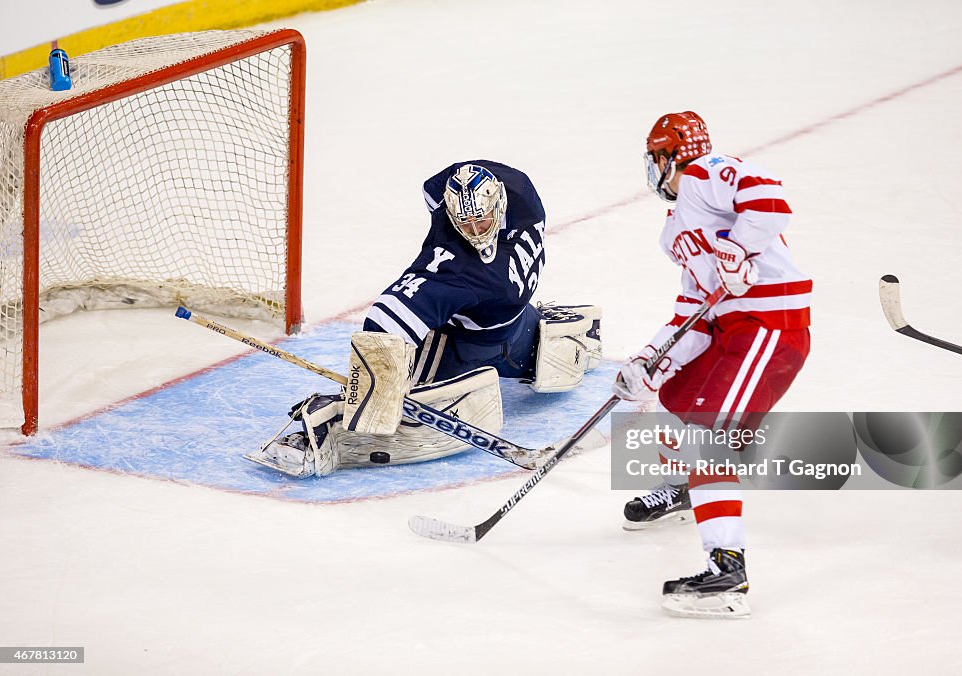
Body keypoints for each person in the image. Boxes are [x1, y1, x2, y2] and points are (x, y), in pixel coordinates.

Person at [247, 160, 601, 477]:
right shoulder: (521, 192)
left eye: (482, 219)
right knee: (506, 343)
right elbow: (441, 186)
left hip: (471, 348)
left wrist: (379, 387)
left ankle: (326, 429)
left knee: (402, 416)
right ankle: (567, 334)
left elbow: (385, 321)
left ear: (498, 203)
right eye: (465, 221)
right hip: (514, 327)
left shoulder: (458, 270)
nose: (475, 232)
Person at [613, 112, 811, 619]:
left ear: (669, 157)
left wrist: (739, 248)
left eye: (656, 159)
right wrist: (650, 360)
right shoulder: (674, 231)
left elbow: (771, 198)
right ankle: (683, 489)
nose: (653, 169)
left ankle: (727, 571)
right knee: (676, 398)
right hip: (728, 332)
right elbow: (692, 316)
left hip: (768, 329)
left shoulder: (704, 175)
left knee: (708, 437)